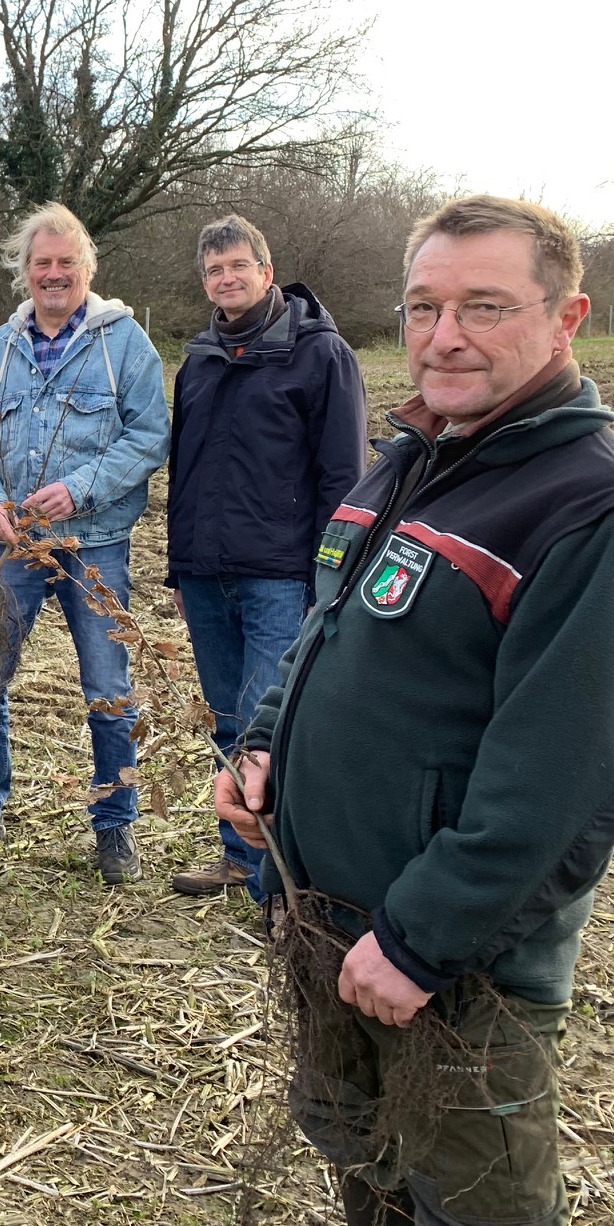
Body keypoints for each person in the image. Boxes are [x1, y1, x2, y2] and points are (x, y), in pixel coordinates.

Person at [217, 196, 614, 1226]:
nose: (444, 336)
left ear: (567, 317)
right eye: (423, 307)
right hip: (333, 929)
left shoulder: (601, 517)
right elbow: (327, 631)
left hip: (456, 978)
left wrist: (420, 942)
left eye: (484, 306)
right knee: (367, 1179)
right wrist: (263, 745)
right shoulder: (414, 458)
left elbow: (565, 790)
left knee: (475, 1221)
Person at [0, 203, 169, 882]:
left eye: (67, 262)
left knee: (108, 689)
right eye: (43, 263)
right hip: (12, 548)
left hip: (95, 544)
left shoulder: (125, 345)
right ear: (25, 271)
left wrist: (83, 488)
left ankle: (116, 827)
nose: (54, 273)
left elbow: (149, 435)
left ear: (87, 269)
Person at [165, 216, 367, 897]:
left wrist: (329, 578)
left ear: (266, 271)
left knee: (268, 724)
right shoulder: (199, 360)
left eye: (237, 266)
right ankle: (238, 857)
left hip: (281, 574)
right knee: (226, 718)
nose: (226, 278)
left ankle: (280, 876)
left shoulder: (321, 355)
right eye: (214, 270)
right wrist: (178, 568)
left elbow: (344, 478)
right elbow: (184, 471)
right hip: (205, 573)